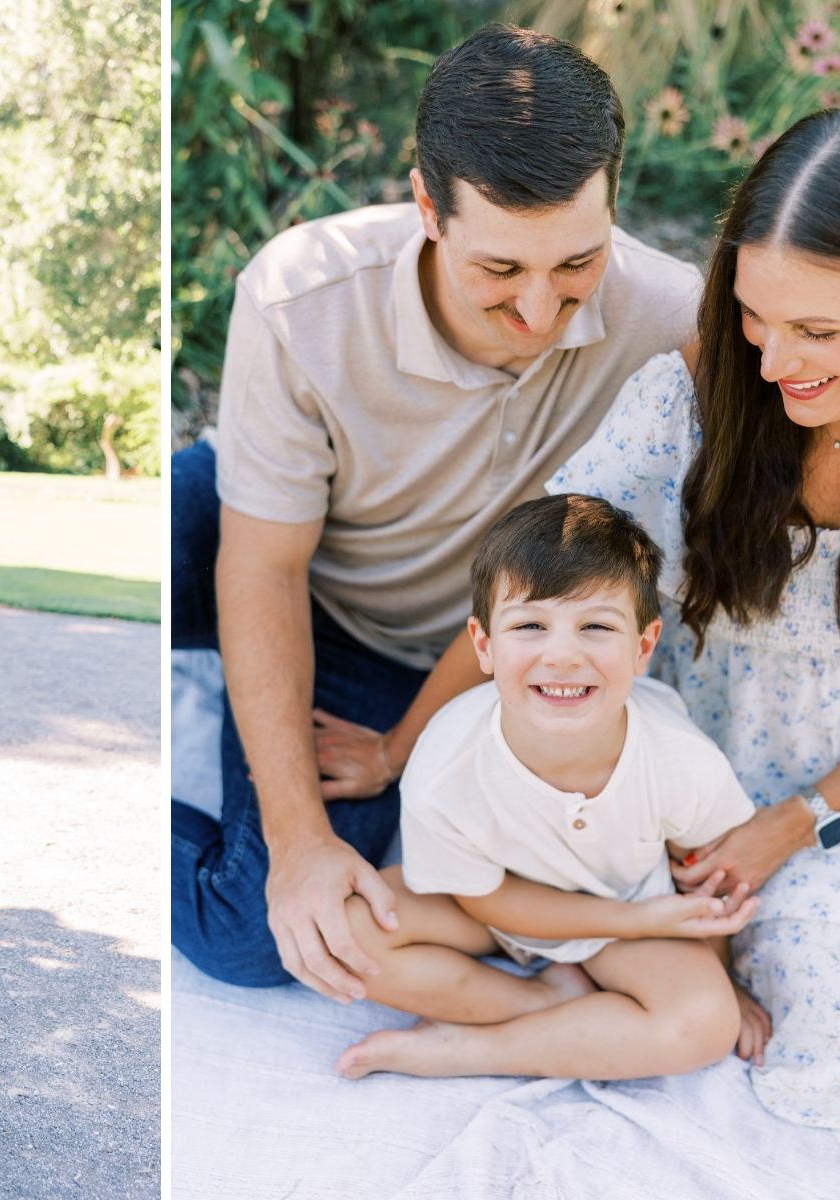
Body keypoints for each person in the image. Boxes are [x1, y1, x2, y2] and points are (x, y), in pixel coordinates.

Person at [171, 23, 701, 1000]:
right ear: (425, 205)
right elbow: (260, 566)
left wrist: (393, 755)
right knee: (180, 502)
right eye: (498, 271)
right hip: (284, 559)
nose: (539, 312)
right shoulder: (302, 295)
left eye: (574, 265)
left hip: (430, 655)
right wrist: (294, 840)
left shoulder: (671, 322)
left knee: (256, 937)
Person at [550, 107, 840, 1197]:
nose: (774, 358)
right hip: (730, 800)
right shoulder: (694, 401)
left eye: (817, 332)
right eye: (751, 314)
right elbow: (543, 576)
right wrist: (408, 741)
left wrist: (798, 823)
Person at [333, 495, 764, 1081]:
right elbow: (482, 899)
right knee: (346, 928)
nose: (562, 655)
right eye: (531, 625)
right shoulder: (446, 764)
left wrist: (723, 977)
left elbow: (708, 872)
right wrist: (637, 922)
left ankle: (467, 1051)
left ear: (643, 646)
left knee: (705, 1021)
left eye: (596, 627)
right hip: (493, 911)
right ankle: (542, 1002)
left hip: (628, 904)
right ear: (484, 645)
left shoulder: (680, 760)